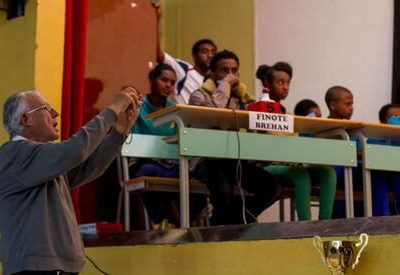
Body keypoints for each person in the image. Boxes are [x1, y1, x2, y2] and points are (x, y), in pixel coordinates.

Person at [0, 88, 139, 275]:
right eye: (46, 108)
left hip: (59, 269)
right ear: (26, 119)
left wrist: (119, 132)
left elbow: (91, 166)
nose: (55, 113)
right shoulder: (12, 153)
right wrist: (112, 110)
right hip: (33, 269)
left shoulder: (47, 161)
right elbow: (75, 150)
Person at [189, 49, 283, 225]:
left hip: (234, 161)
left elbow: (261, 123)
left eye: (234, 71)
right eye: (225, 70)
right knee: (224, 190)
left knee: (273, 187)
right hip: (206, 161)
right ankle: (228, 226)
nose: (230, 75)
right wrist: (224, 85)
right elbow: (213, 113)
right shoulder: (199, 95)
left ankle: (234, 220)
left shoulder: (241, 99)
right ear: (213, 73)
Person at [256, 62, 337, 221]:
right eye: (280, 83)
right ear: (267, 84)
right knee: (301, 175)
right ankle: (304, 227)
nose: (285, 87)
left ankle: (324, 225)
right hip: (267, 167)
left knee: (328, 172)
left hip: (290, 165)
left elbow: (294, 144)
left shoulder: (290, 115)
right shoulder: (257, 109)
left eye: (288, 83)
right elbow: (261, 148)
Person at [131, 64, 205, 227]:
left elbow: (182, 141)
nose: (168, 86)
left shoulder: (175, 110)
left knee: (199, 182)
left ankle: (181, 225)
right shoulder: (138, 107)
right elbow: (133, 142)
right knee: (160, 178)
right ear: (152, 79)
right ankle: (182, 227)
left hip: (172, 165)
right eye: (164, 80)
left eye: (172, 82)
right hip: (144, 164)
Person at [154, 0, 217, 105]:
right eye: (204, 52)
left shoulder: (214, 80)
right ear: (195, 56)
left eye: (213, 52)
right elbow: (159, 56)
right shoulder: (184, 70)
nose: (210, 55)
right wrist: (158, 18)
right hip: (183, 120)